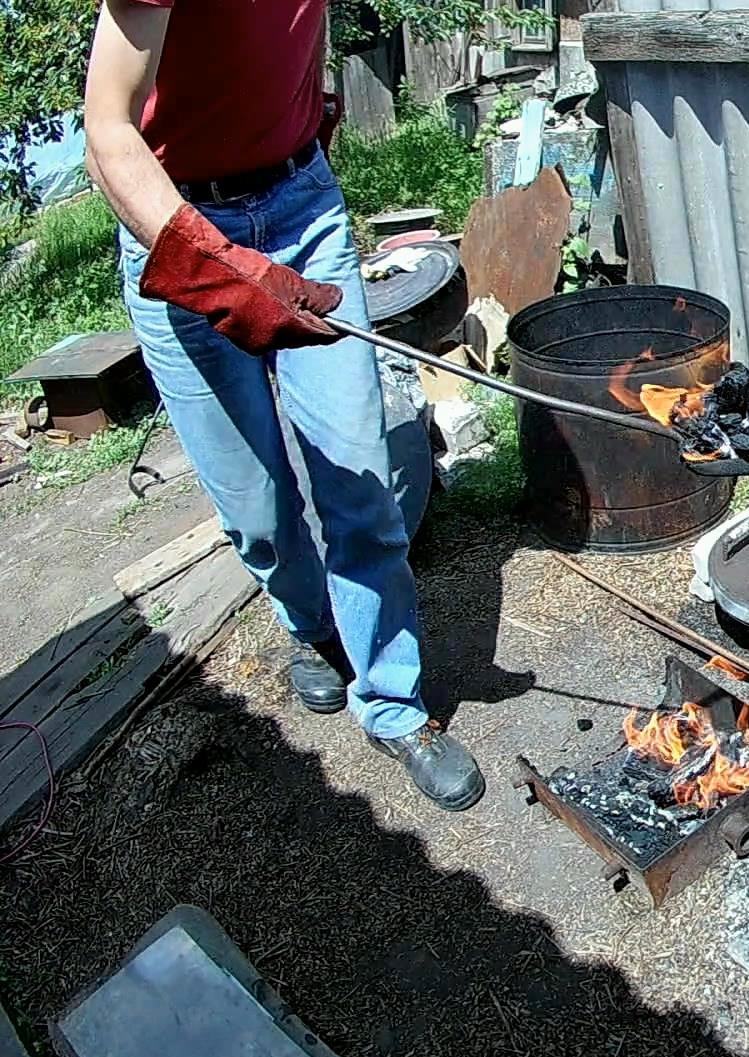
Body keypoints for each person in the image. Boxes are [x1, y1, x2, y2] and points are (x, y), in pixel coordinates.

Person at [82, 0, 483, 811]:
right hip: (179, 224)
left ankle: (394, 702)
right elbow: (107, 135)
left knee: (362, 484)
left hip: (301, 209)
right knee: (257, 506)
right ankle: (309, 623)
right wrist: (218, 261)